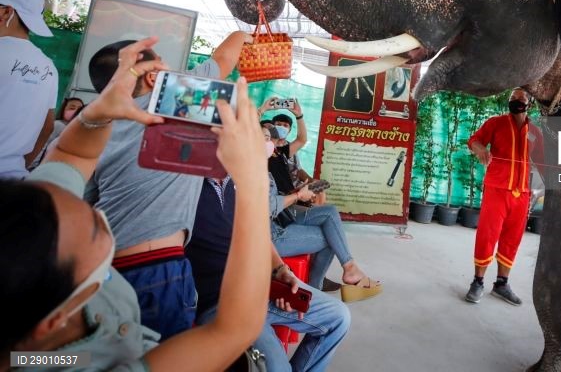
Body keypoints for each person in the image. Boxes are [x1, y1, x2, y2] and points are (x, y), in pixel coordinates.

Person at [0, 38, 272, 371]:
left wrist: (97, 114)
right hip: (161, 269)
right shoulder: (176, 100)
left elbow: (72, 156)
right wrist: (255, 179)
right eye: (95, 226)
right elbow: (234, 329)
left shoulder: (41, 220)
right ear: (54, 319)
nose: (100, 214)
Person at [84, 30, 253, 340]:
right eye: (162, 65)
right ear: (151, 78)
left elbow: (83, 201)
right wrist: (246, 33)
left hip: (101, 273)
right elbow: (224, 59)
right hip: (157, 270)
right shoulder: (170, 98)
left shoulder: (87, 127)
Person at [187, 134, 350, 372]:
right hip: (222, 303)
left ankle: (349, 266)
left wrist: (280, 271)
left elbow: (259, 234)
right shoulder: (186, 190)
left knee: (339, 316)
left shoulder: (238, 185)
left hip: (261, 289)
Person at [265, 125, 383, 302]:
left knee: (330, 213)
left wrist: (302, 190)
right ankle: (319, 289)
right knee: (331, 237)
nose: (271, 139)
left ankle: (342, 272)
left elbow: (292, 176)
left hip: (281, 216)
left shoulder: (276, 156)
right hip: (271, 235)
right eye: (265, 137)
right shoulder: (252, 168)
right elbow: (267, 206)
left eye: (270, 137)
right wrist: (298, 195)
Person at [464, 87, 543, 305]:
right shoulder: (495, 123)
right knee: (487, 235)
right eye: (512, 98)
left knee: (513, 239)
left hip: (523, 194)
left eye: (521, 98)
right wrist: (479, 149)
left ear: (530, 104)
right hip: (497, 190)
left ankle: (501, 283)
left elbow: (545, 161)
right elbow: (474, 140)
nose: (516, 101)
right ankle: (477, 282)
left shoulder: (536, 130)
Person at [0, 0, 59, 179]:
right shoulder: (48, 66)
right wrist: (18, 166)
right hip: (14, 178)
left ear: (6, 12)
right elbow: (48, 126)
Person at [29, 97, 86, 169]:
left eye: (79, 108)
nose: (76, 111)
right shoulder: (59, 125)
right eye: (72, 108)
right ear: (63, 110)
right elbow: (43, 146)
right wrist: (34, 166)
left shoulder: (69, 127)